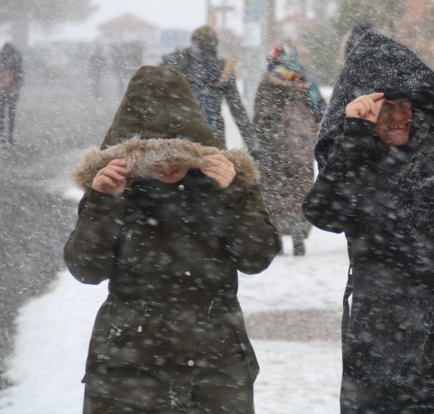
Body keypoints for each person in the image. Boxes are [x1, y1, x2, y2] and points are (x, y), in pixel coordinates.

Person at [303, 29, 434, 413]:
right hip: (385, 344)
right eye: (385, 107)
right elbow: (324, 213)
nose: (400, 116)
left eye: (406, 104)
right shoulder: (356, 163)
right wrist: (355, 135)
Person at [64, 65, 281, 413]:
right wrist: (104, 203)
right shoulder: (114, 186)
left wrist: (234, 196)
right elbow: (87, 269)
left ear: (193, 145)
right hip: (129, 365)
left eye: (176, 154)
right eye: (154, 155)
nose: (167, 167)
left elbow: (256, 257)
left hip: (215, 365)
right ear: (133, 152)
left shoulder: (224, 182)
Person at [253, 41, 326, 256]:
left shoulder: (269, 81)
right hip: (301, 148)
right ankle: (296, 225)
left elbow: (259, 116)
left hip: (272, 148)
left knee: (273, 191)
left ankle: (276, 230)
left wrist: (258, 141)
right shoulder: (305, 81)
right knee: (299, 190)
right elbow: (321, 111)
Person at [163, 25, 256, 151]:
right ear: (215, 45)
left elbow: (160, 101)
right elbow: (237, 109)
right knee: (217, 168)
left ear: (193, 41)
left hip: (179, 137)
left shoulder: (176, 63)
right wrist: (253, 145)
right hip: (213, 138)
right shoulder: (224, 68)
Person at [0, 42, 23, 146]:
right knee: (11, 115)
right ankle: (10, 136)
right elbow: (20, 75)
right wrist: (16, 85)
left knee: (1, 115)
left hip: (0, 91)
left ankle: (2, 137)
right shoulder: (16, 59)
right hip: (12, 91)